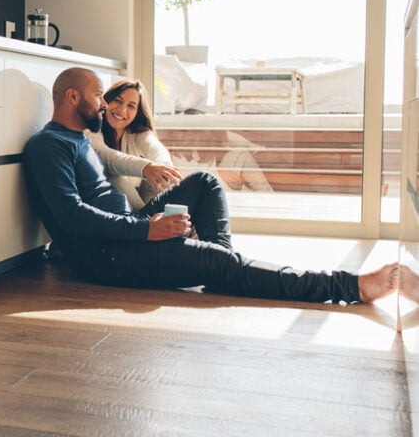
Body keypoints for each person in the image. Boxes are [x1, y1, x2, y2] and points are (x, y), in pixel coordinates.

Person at [22, 66, 398, 304]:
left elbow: (121, 168)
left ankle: (220, 267)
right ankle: (349, 288)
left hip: (128, 233)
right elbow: (71, 217)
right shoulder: (48, 145)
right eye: (98, 96)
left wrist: (145, 223)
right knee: (218, 261)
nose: (104, 105)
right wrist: (145, 230)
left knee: (205, 182)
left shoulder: (82, 141)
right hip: (106, 257)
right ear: (73, 97)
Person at [85, 79, 178, 209]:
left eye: (131, 106)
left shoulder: (137, 133)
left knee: (205, 179)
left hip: (139, 199)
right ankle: (147, 220)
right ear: (106, 100)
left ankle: (174, 221)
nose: (122, 110)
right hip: (106, 202)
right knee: (115, 175)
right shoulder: (91, 129)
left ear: (137, 113)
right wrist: (146, 167)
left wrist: (164, 167)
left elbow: (156, 149)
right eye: (117, 100)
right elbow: (104, 154)